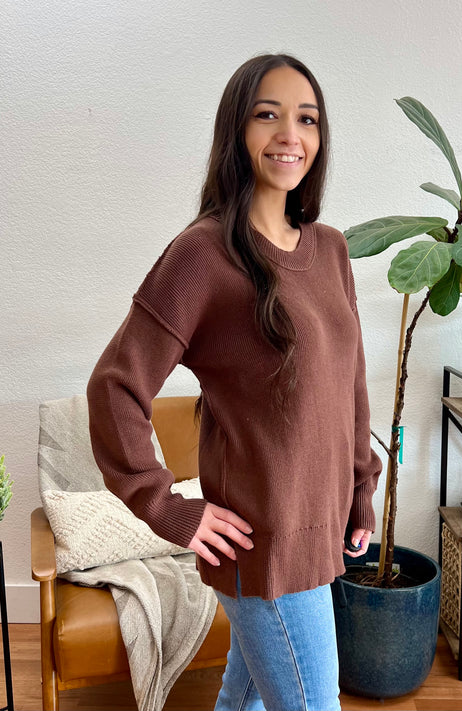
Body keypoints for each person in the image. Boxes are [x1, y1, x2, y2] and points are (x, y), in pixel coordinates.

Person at [87, 53, 382, 711]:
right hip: (263, 544)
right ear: (236, 130)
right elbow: (114, 385)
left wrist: (360, 489)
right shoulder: (203, 255)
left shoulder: (331, 249)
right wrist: (166, 506)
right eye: (267, 114)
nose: (290, 134)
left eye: (307, 118)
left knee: (240, 699)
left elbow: (349, 383)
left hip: (315, 532)